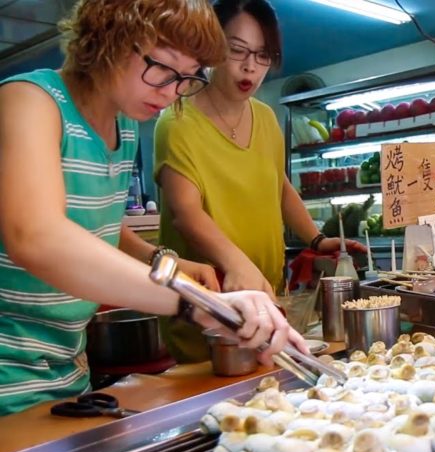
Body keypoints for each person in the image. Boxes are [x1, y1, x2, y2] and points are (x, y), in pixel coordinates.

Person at [0, 0, 308, 417]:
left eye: (186, 78)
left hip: (66, 372)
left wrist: (166, 260)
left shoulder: (124, 125)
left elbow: (97, 222)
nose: (171, 91)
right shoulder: (27, 102)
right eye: (162, 67)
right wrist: (190, 300)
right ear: (109, 36)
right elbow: (36, 236)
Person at [154, 0, 364, 363]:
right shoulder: (176, 119)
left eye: (263, 55)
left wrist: (316, 238)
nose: (250, 66)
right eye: (236, 50)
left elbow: (279, 187)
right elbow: (185, 214)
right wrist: (237, 264)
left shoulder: (266, 119)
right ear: (211, 47)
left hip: (268, 296)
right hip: (210, 305)